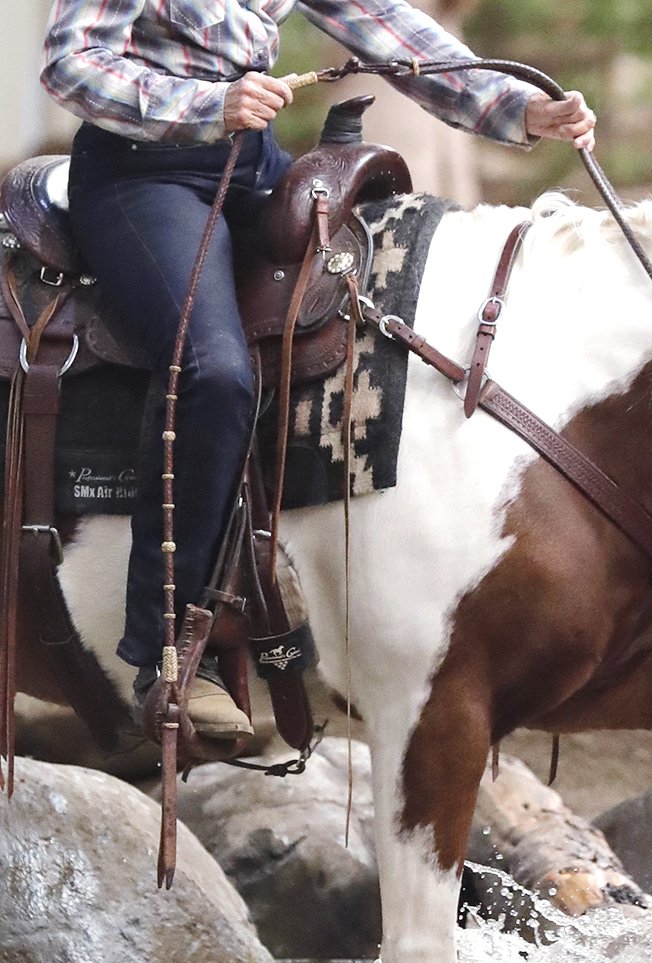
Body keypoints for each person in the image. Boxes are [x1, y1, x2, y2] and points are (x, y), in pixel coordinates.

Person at [41, 2, 596, 745]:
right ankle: (165, 651)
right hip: (142, 174)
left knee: (380, 316)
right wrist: (209, 103)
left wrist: (518, 108)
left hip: (252, 166)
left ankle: (331, 597)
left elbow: (390, 29)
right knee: (216, 373)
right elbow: (69, 61)